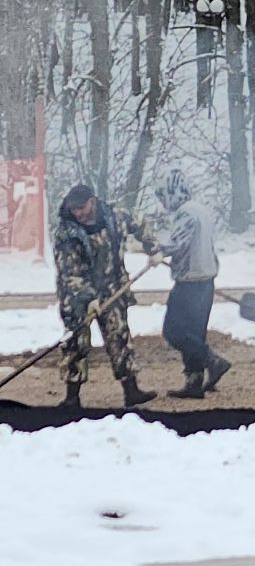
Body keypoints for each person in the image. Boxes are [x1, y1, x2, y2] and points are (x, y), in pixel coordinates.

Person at [50, 184, 157, 409]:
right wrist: (88, 298)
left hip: (112, 288)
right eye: (74, 209)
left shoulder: (115, 217)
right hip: (76, 295)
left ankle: (131, 391)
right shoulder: (66, 232)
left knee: (119, 336)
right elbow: (70, 271)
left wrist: (153, 248)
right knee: (75, 343)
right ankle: (72, 398)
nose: (78, 213)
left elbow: (139, 223)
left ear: (92, 201)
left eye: (81, 207)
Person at [148, 169, 231, 399]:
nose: (163, 203)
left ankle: (213, 361)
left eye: (163, 196)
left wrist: (160, 252)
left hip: (190, 282)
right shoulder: (200, 210)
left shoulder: (186, 213)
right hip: (206, 280)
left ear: (172, 192)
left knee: (174, 332)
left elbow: (178, 243)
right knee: (194, 333)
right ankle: (194, 382)